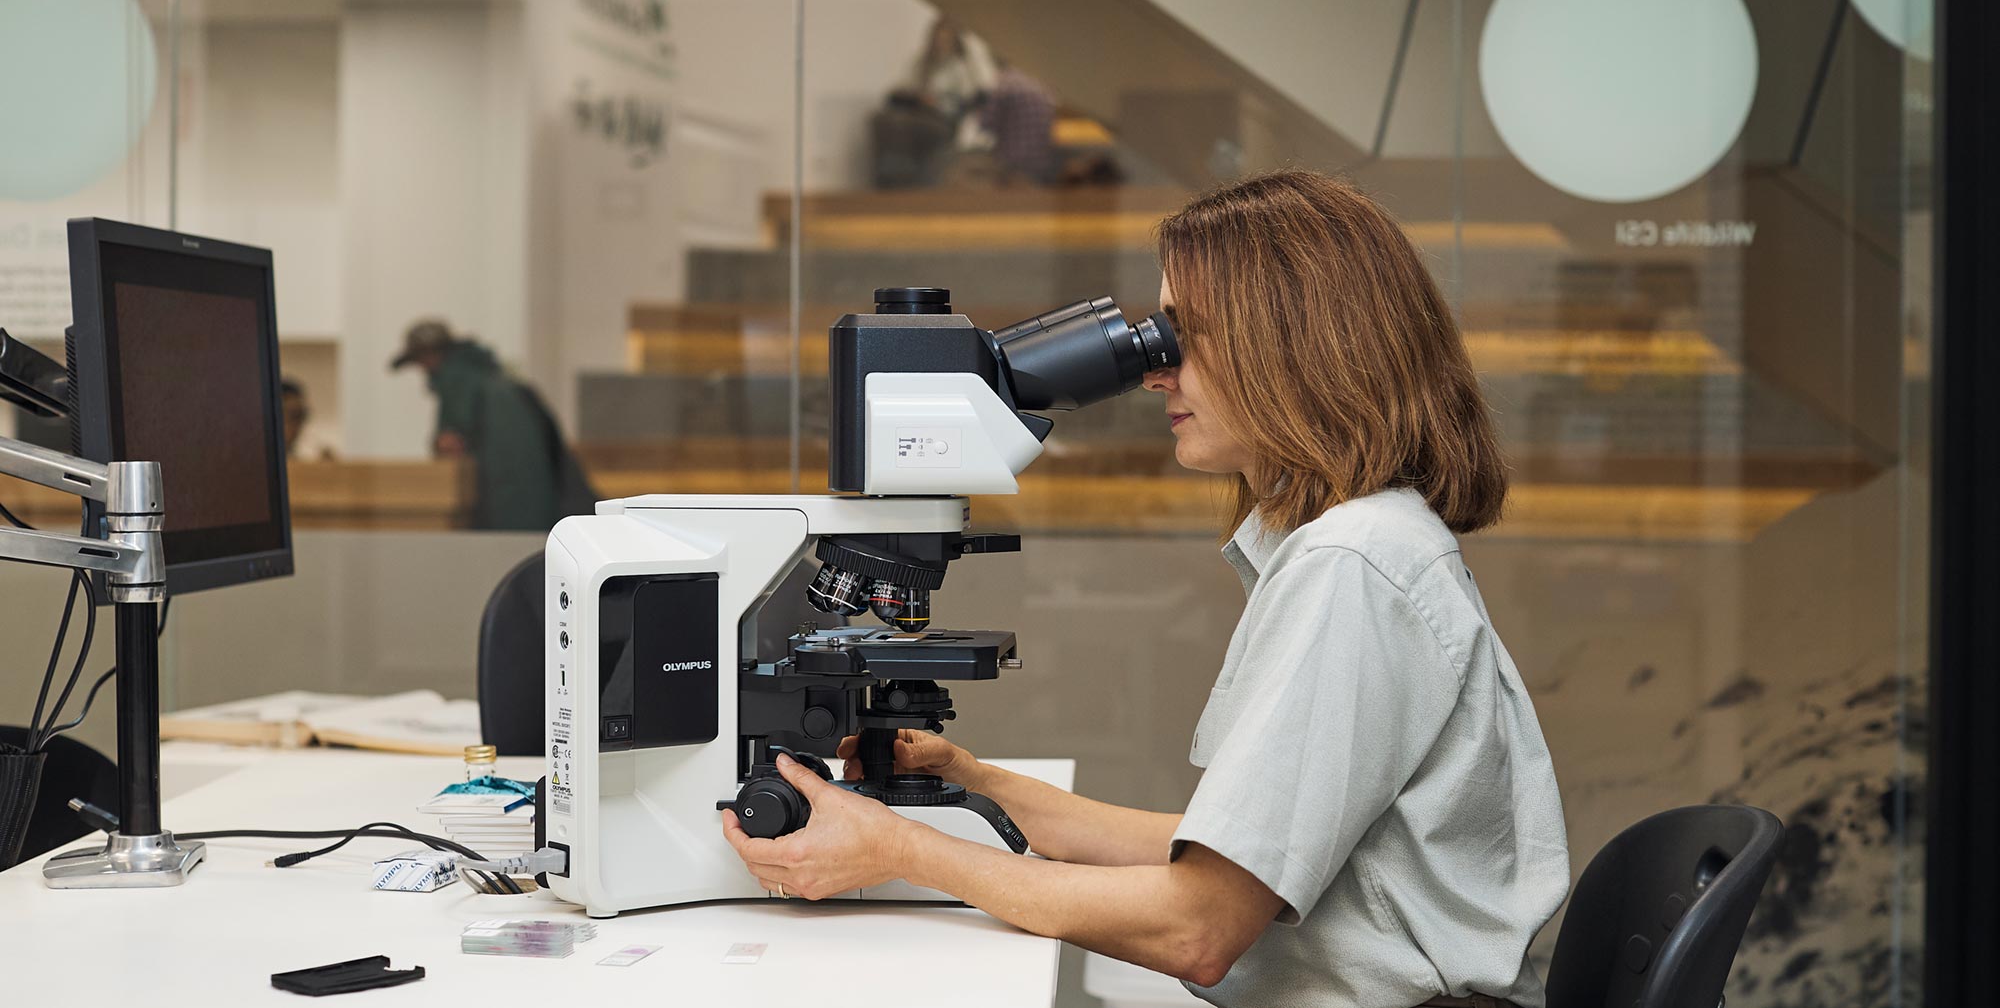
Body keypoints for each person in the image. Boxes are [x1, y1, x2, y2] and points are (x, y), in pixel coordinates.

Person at [719, 170, 1571, 1008]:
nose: (1156, 370)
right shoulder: (1370, 541)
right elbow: (1226, 856)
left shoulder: (1352, 567)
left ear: (1288, 344)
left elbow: (1197, 929)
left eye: (1182, 334)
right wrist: (983, 786)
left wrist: (900, 847)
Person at [389, 320, 596, 532]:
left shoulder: (459, 383)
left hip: (506, 505)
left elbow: (451, 444)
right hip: (538, 504)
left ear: (428, 357)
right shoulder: (496, 381)